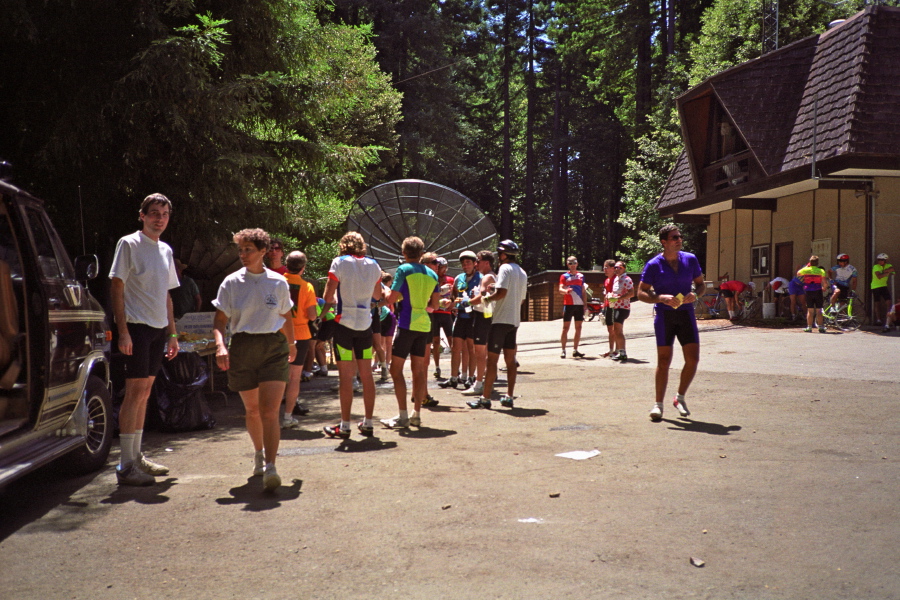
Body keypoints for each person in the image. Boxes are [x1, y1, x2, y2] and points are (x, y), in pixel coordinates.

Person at [212, 229, 296, 492]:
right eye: (241, 250)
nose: (243, 254)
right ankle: (259, 453)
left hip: (273, 346)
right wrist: (220, 346)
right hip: (243, 347)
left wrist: (292, 345)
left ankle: (271, 466)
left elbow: (287, 316)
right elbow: (220, 320)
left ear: (263, 251)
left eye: (249, 249)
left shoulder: (278, 282)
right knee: (252, 411)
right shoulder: (231, 283)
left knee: (270, 411)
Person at [109, 193, 180, 486]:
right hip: (136, 327)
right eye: (153, 213)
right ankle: (125, 465)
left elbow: (166, 294)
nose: (159, 218)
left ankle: (137, 457)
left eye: (164, 214)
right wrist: (123, 330)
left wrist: (173, 333)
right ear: (142, 215)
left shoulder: (165, 250)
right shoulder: (129, 243)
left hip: (158, 328)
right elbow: (116, 285)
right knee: (135, 392)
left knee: (146, 393)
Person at [637, 224, 705, 422]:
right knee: (664, 361)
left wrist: (695, 294)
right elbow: (641, 293)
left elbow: (700, 285)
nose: (679, 239)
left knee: (693, 359)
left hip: (686, 314)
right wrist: (660, 298)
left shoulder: (690, 259)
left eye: (680, 236)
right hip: (665, 316)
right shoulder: (653, 265)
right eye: (674, 237)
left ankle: (680, 397)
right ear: (664, 242)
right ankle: (658, 405)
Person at [320, 232, 383, 438]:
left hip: (344, 325)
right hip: (365, 325)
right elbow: (377, 296)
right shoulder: (374, 264)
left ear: (343, 245)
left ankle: (345, 425)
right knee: (366, 375)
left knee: (346, 377)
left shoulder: (338, 262)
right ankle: (368, 422)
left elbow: (328, 297)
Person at [380, 237, 440, 428]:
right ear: (422, 254)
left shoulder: (403, 270)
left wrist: (382, 296)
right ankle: (416, 414)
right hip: (424, 325)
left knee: (395, 370)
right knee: (418, 370)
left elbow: (392, 296)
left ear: (404, 253)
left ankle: (402, 415)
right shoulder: (433, 274)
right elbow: (435, 305)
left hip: (407, 324)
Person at [467, 240, 527, 410]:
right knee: (510, 360)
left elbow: (501, 293)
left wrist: (487, 298)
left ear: (503, 255)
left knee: (491, 360)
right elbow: (520, 298)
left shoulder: (504, 268)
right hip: (514, 321)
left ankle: (485, 398)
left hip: (500, 320)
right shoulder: (522, 272)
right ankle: (509, 396)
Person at [282, 251, 318, 427]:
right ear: (303, 268)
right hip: (300, 334)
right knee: (294, 378)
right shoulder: (307, 286)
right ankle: (288, 417)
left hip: (277, 333)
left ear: (286, 264)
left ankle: (270, 416)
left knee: (275, 376)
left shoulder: (277, 281)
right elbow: (312, 316)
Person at [439, 250, 480, 389]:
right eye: (463, 263)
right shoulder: (459, 278)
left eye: (468, 262)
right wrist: (449, 302)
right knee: (456, 347)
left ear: (475, 263)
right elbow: (453, 297)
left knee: (471, 348)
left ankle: (470, 377)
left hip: (474, 317)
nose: (465, 265)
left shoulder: (481, 277)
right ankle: (453, 377)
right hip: (461, 317)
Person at [466, 250, 496, 396]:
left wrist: (465, 302)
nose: (475, 264)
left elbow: (481, 296)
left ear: (486, 262)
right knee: (482, 351)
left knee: (479, 352)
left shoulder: (487, 277)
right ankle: (483, 380)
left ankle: (479, 383)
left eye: (478, 261)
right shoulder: (490, 277)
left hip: (483, 316)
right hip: (485, 315)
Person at [430, 256, 455, 379]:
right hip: (434, 313)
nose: (442, 270)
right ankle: (437, 367)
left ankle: (455, 368)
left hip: (446, 314)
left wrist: (452, 303)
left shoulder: (451, 279)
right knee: (436, 341)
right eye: (440, 267)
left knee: (452, 341)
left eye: (444, 267)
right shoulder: (431, 278)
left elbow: (455, 296)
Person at [606, 260, 634, 361]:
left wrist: (618, 298)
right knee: (616, 330)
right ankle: (620, 351)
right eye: (616, 268)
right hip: (616, 307)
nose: (617, 269)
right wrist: (610, 297)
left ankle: (623, 352)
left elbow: (631, 293)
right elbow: (615, 294)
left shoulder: (627, 279)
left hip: (623, 308)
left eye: (619, 268)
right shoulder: (616, 279)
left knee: (617, 329)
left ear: (624, 269)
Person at [559, 256, 585, 358]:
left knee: (578, 327)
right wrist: (566, 291)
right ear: (567, 265)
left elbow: (583, 291)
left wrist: (585, 305)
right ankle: (563, 350)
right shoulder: (564, 276)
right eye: (570, 263)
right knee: (565, 328)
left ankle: (575, 349)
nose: (572, 265)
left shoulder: (581, 276)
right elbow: (560, 289)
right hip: (568, 304)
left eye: (574, 263)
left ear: (577, 264)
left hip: (579, 305)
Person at [798, 256, 828, 333]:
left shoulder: (806, 270)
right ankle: (821, 327)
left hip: (808, 291)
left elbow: (798, 273)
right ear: (817, 263)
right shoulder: (821, 270)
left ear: (810, 262)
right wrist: (824, 288)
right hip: (818, 290)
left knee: (810, 310)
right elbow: (825, 282)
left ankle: (809, 327)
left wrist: (807, 267)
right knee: (819, 310)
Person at [600, 260, 618, 358]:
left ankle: (617, 350)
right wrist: (603, 307)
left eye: (606, 267)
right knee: (609, 328)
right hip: (608, 306)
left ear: (612, 268)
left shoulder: (617, 279)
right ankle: (611, 350)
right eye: (604, 267)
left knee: (616, 329)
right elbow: (606, 294)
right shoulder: (606, 281)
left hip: (616, 306)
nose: (604, 270)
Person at [872, 253, 895, 326]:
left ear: (885, 260)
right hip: (875, 286)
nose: (880, 261)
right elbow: (879, 276)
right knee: (877, 303)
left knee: (888, 302)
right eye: (879, 260)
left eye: (882, 260)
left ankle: (888, 319)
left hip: (884, 286)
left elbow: (893, 270)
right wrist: (887, 272)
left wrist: (885, 271)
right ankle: (878, 319)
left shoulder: (888, 265)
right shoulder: (876, 266)